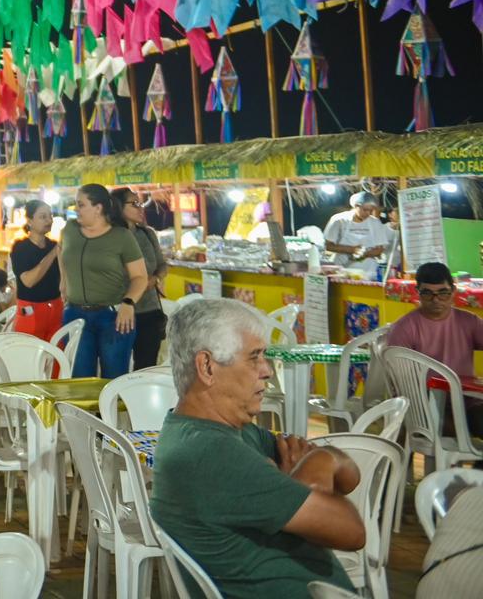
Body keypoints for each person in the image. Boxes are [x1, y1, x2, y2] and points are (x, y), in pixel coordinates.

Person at [152, 299, 363, 598]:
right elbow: (352, 530)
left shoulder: (231, 434)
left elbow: (350, 476)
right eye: (254, 358)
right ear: (207, 367)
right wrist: (317, 469)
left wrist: (316, 465)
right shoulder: (213, 455)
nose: (266, 370)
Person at [59, 184, 150, 379]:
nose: (76, 209)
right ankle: (86, 412)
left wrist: (128, 302)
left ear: (98, 208)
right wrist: (64, 281)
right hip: (74, 315)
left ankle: (109, 411)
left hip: (113, 317)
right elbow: (61, 251)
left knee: (113, 379)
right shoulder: (70, 230)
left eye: (81, 205)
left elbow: (140, 277)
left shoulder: (121, 237)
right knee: (79, 380)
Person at [386, 261, 483, 432]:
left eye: (442, 293)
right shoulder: (404, 329)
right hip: (423, 407)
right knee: (461, 434)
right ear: (418, 293)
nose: (436, 299)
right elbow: (400, 384)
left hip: (467, 402)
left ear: (453, 292)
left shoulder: (469, 322)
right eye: (427, 293)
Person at [113, 187, 170, 370]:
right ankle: (117, 399)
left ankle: (140, 399)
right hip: (121, 311)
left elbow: (162, 264)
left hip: (150, 310)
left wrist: (155, 279)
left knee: (146, 367)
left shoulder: (147, 234)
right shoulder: (110, 238)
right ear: (118, 207)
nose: (140, 207)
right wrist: (138, 286)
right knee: (117, 366)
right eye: (134, 203)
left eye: (140, 203)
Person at [10, 200, 63, 340]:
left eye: (50, 216)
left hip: (56, 307)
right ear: (29, 221)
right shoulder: (21, 248)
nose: (49, 220)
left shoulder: (54, 245)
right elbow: (28, 281)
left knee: (56, 355)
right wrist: (52, 254)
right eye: (43, 216)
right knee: (30, 355)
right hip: (31, 310)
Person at [323, 191, 395, 279]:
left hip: (368, 272)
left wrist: (364, 254)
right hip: (342, 271)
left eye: (371, 210)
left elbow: (380, 249)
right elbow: (328, 246)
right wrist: (351, 249)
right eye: (365, 210)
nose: (368, 213)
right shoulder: (339, 220)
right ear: (356, 206)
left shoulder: (375, 222)